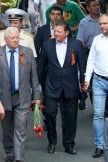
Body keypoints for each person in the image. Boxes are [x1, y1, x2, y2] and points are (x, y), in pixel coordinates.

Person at [37, 21, 86, 155]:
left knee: (70, 117)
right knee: (50, 114)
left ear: (66, 32)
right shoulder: (47, 45)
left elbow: (82, 66)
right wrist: (37, 87)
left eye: (59, 31)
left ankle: (69, 144)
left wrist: (84, 85)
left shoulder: (75, 44)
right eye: (54, 31)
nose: (55, 34)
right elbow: (41, 67)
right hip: (52, 87)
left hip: (71, 87)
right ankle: (52, 142)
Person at [0, 27, 41, 162]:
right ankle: (9, 152)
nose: (15, 40)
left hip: (23, 97)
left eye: (17, 37)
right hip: (3, 98)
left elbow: (34, 77)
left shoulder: (28, 52)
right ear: (5, 40)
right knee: (7, 128)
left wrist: (36, 96)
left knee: (21, 128)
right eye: (12, 38)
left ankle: (19, 158)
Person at [83, 13, 108, 158]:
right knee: (98, 115)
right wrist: (87, 79)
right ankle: (99, 146)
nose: (101, 26)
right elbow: (91, 60)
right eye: (100, 24)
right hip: (99, 81)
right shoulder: (96, 40)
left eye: (104, 23)